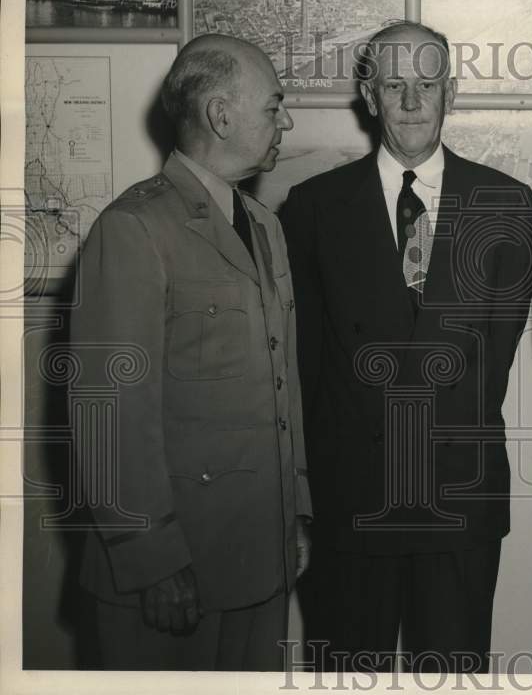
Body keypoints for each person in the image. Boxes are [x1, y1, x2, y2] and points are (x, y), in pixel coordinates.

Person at [280, 20, 532, 673]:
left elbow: (493, 363)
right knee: (346, 676)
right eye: (394, 85)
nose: (412, 101)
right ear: (369, 95)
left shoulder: (507, 205)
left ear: (451, 91)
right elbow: (306, 370)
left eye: (427, 85)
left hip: (458, 501)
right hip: (352, 503)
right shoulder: (311, 209)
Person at [70, 34, 311, 671]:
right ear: (221, 115)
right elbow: (108, 411)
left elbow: (282, 384)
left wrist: (298, 512)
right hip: (176, 572)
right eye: (274, 105)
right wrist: (150, 557)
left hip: (259, 557)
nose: (285, 120)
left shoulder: (264, 226)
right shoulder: (134, 228)